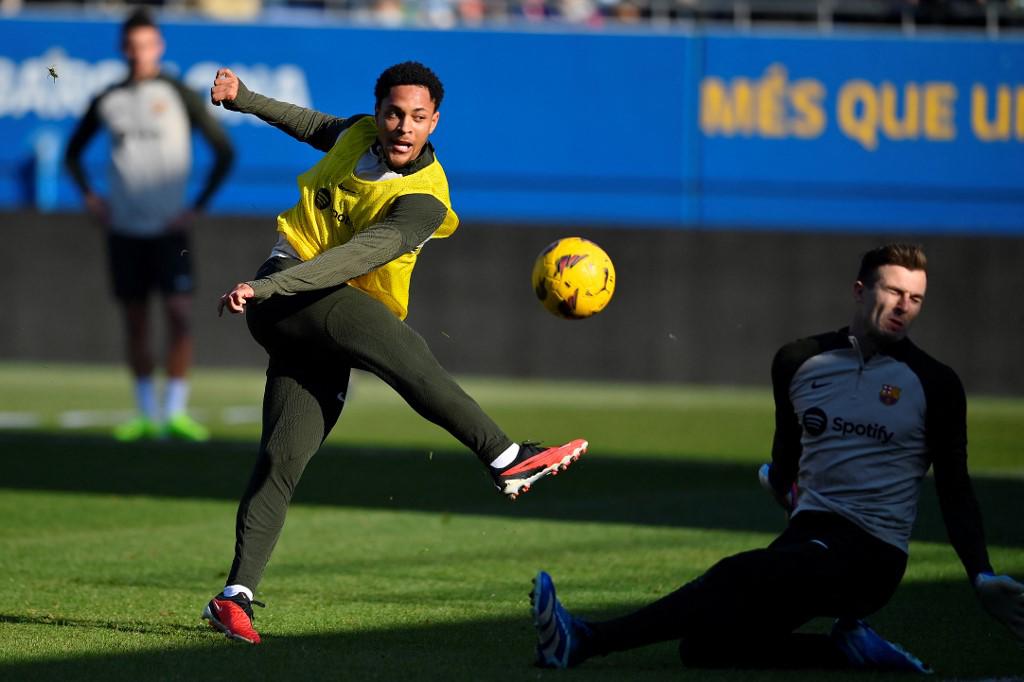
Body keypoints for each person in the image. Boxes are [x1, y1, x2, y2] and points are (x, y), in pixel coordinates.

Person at [200, 61, 587, 645]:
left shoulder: (425, 201)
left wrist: (269, 289)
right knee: (401, 348)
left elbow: (358, 257)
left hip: (302, 302)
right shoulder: (358, 133)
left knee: (283, 458)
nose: (403, 126)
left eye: (417, 117)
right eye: (393, 113)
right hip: (288, 293)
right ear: (377, 112)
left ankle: (234, 597)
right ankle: (505, 457)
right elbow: (311, 123)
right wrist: (245, 98)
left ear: (435, 121)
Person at [529, 243, 1024, 672]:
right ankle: (847, 652)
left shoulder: (935, 384)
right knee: (706, 648)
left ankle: (585, 641)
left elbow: (955, 487)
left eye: (915, 299)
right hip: (807, 538)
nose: (904, 307)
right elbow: (786, 455)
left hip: (871, 555)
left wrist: (980, 573)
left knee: (736, 575)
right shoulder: (799, 361)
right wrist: (782, 483)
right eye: (893, 292)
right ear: (859, 290)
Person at [65, 8, 235, 442]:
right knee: (135, 320)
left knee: (179, 315)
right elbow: (72, 154)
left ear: (158, 46)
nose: (139, 53)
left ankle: (175, 411)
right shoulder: (108, 98)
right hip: (123, 228)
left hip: (170, 229)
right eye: (132, 45)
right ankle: (145, 413)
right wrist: (91, 198)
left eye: (147, 44)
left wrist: (196, 207)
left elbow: (224, 152)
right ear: (124, 48)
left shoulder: (180, 94)